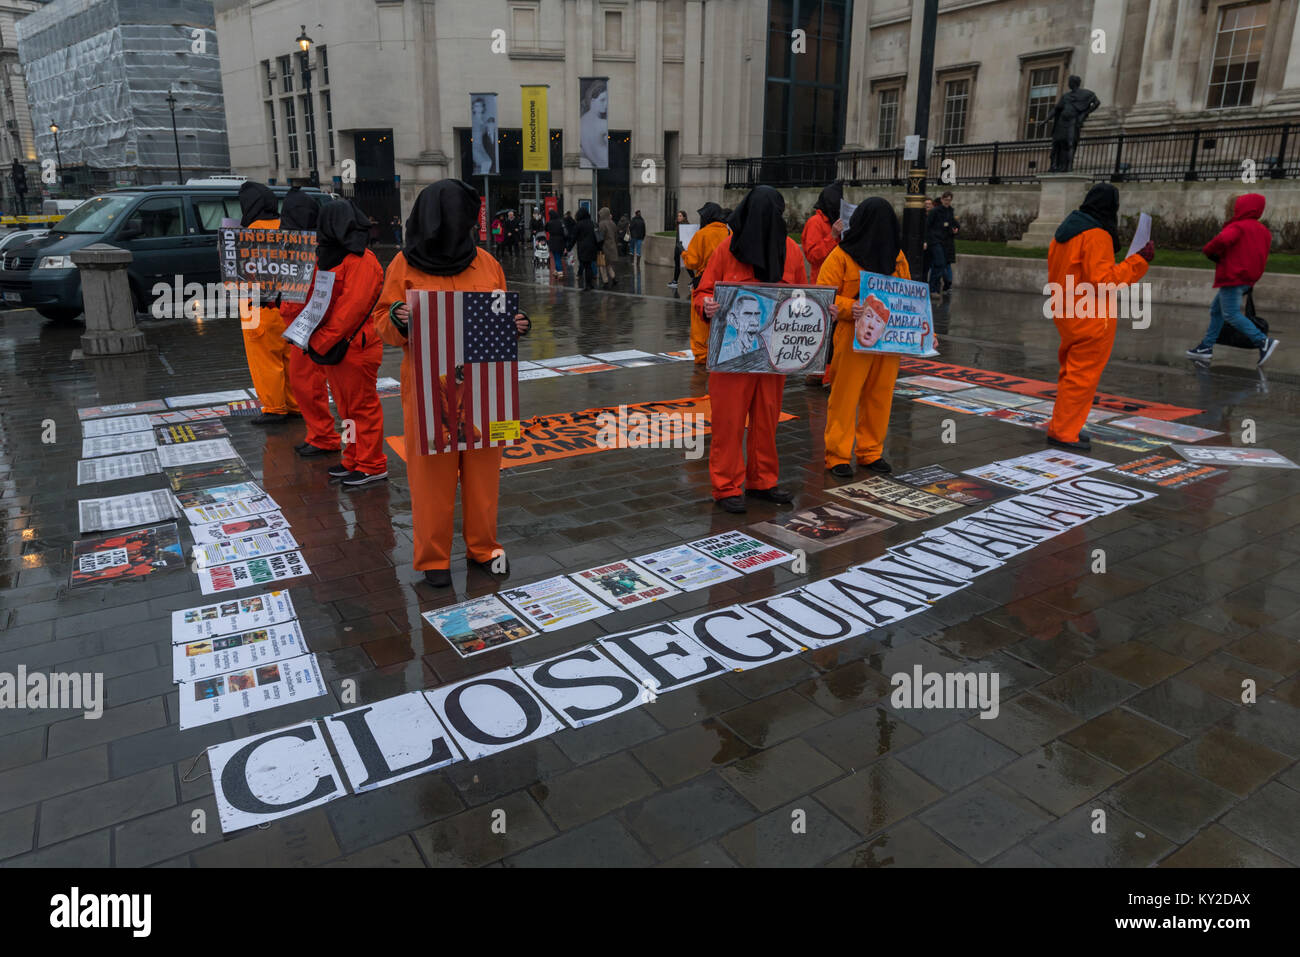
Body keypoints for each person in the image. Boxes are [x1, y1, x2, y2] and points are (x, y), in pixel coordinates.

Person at [373, 179, 531, 587]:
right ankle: (433, 560)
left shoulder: (486, 263)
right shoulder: (403, 266)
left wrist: (517, 324)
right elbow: (380, 322)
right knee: (431, 482)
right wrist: (396, 320)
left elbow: (500, 311)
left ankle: (484, 549)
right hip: (430, 393)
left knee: (484, 479)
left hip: (485, 390)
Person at [695, 185, 807, 513]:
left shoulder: (791, 251)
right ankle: (727, 486)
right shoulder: (726, 250)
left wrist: (821, 312)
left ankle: (763, 482)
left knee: (767, 419)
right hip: (731, 358)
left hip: (772, 357)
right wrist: (707, 305)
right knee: (729, 422)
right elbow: (701, 290)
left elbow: (804, 296)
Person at [280, 201, 387, 486]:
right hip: (336, 349)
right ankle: (353, 457)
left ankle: (372, 464)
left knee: (362, 407)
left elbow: (349, 310)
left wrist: (319, 341)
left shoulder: (363, 261)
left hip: (354, 347)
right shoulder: (331, 256)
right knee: (347, 409)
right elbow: (316, 301)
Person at [1046, 183, 1153, 451]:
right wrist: (1138, 262)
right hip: (1091, 316)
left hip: (1067, 311)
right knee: (1081, 377)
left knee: (1071, 373)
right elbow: (1103, 281)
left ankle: (1064, 425)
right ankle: (1064, 432)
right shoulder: (1096, 235)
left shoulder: (1064, 233)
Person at [820, 198, 910, 478]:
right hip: (851, 337)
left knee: (880, 395)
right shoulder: (841, 256)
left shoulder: (898, 258)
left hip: (889, 340)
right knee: (845, 396)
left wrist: (923, 330)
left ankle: (870, 451)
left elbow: (909, 297)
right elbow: (822, 294)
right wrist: (849, 307)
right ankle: (837, 455)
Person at [1187, 193, 1279, 366]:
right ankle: (1206, 347)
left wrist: (1208, 250)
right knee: (1217, 310)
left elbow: (1222, 240)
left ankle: (1262, 341)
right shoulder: (1263, 231)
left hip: (1233, 276)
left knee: (1230, 314)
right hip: (1247, 278)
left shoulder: (1238, 227)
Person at [236, 181, 300, 426]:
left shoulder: (245, 235)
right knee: (290, 357)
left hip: (257, 307)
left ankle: (274, 408)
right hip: (290, 305)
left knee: (265, 360)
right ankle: (295, 404)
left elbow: (235, 276)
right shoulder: (288, 228)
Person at [279, 188, 337, 457]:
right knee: (303, 384)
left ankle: (324, 437)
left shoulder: (315, 248)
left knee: (309, 385)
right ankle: (318, 433)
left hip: (308, 326)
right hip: (298, 325)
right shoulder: (302, 244)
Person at [802, 182, 844, 388]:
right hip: (821, 284)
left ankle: (824, 373)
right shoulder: (815, 222)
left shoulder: (835, 221)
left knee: (832, 332)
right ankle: (820, 374)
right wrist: (833, 236)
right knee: (824, 332)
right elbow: (812, 255)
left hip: (839, 285)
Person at [681, 202, 731, 364]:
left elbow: (692, 263)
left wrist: (682, 253)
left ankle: (702, 356)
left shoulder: (701, 235)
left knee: (700, 322)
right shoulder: (729, 232)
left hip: (704, 281)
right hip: (725, 282)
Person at [926, 191, 959, 295]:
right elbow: (927, 226)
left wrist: (956, 229)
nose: (947, 202)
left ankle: (934, 288)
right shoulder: (935, 211)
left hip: (945, 242)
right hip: (935, 240)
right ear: (942, 199)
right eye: (945, 200)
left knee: (939, 265)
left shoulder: (950, 211)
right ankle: (932, 288)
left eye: (949, 200)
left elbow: (953, 223)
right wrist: (926, 240)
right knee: (940, 263)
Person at [579, 79, 609, 169]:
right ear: (592, 100)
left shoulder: (581, 121)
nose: (606, 104)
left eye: (607, 100)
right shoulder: (603, 125)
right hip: (604, 166)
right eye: (602, 100)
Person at [572, 207, 599, 290]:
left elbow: (574, 237)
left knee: (586, 266)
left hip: (582, 248)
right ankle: (590, 284)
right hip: (592, 247)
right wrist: (599, 248)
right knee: (589, 266)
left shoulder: (578, 225)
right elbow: (598, 236)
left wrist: (569, 247)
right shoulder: (593, 223)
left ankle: (588, 285)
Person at [597, 206, 619, 287]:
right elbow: (616, 236)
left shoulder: (601, 224)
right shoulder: (612, 223)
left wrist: (598, 247)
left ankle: (605, 281)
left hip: (604, 247)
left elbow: (600, 237)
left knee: (602, 265)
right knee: (608, 264)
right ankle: (613, 278)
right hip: (612, 247)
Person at [669, 209, 688, 288]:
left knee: (687, 264)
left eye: (680, 216)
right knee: (677, 264)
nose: (678, 217)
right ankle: (675, 281)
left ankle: (694, 280)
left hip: (682, 247)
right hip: (677, 247)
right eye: (678, 216)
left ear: (684, 217)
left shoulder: (685, 226)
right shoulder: (678, 225)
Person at [546, 209, 566, 279]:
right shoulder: (561, 222)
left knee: (556, 257)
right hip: (561, 241)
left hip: (553, 241)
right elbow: (565, 232)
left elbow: (546, 229)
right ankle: (556, 271)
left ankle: (560, 272)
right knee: (559, 257)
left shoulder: (549, 223)